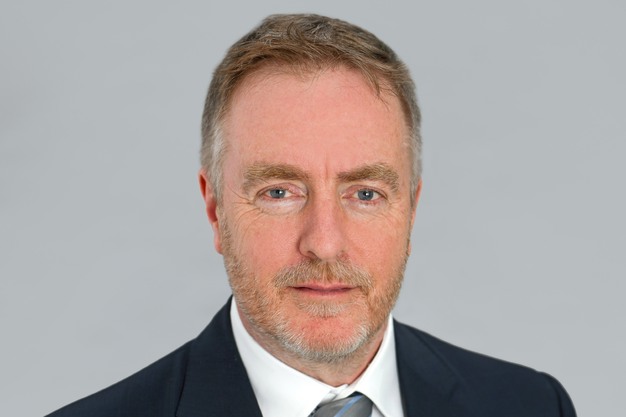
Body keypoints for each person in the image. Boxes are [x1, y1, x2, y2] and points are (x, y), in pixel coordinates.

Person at [47, 13, 576, 417]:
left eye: (365, 194)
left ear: (411, 211)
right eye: (279, 192)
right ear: (215, 211)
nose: (324, 243)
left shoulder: (531, 406)